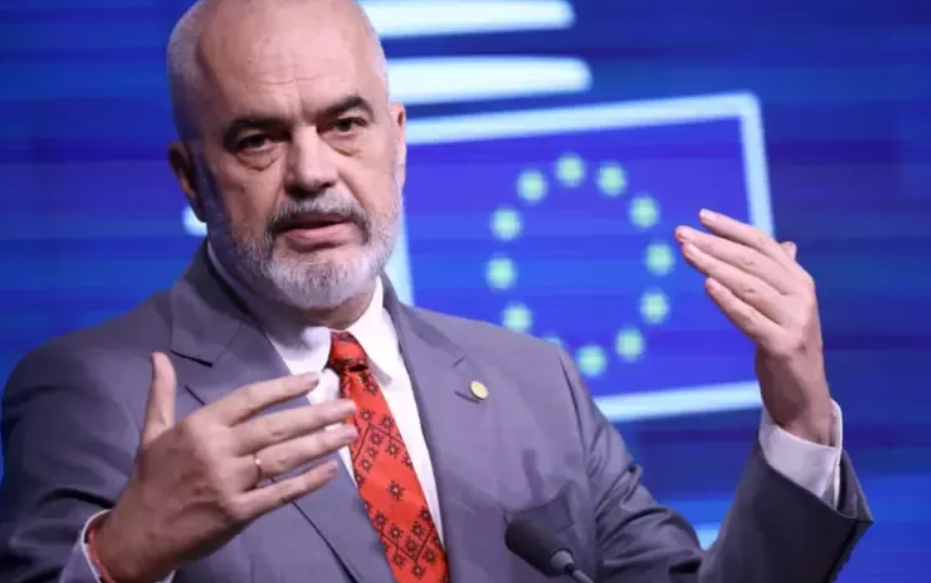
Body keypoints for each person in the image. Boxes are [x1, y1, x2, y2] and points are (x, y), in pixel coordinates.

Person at [0, 0, 871, 581]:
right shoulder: (94, 391)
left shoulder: (534, 380)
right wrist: (117, 562)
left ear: (398, 141)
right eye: (258, 139)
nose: (312, 173)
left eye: (344, 124)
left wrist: (798, 416)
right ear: (191, 177)